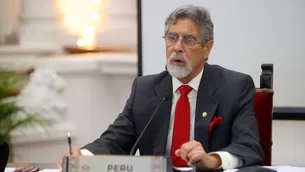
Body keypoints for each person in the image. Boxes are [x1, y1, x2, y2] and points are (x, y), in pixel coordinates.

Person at [60, 4, 264, 171]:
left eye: (189, 40)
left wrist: (213, 160)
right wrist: (83, 157)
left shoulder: (234, 87)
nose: (177, 47)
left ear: (207, 48)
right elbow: (115, 141)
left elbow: (248, 147)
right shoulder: (145, 88)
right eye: (172, 38)